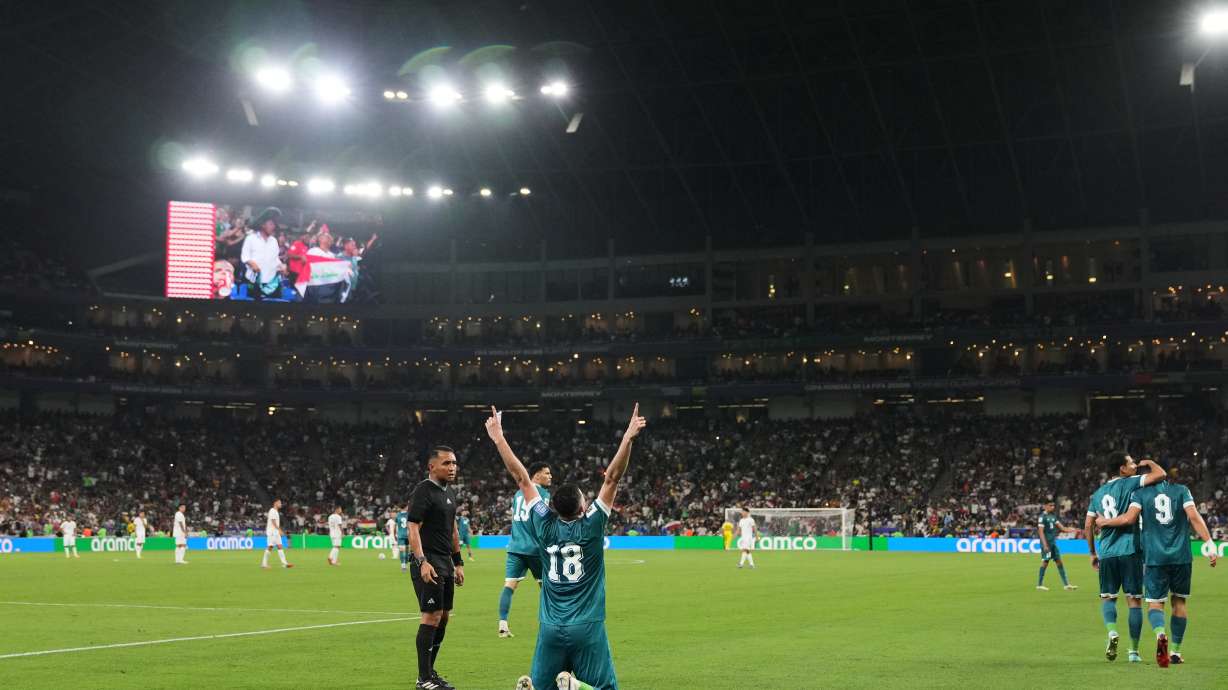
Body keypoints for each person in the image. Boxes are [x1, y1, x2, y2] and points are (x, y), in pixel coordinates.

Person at [486, 404, 646, 690]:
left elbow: (522, 478)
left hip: (550, 628)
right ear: (583, 506)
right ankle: (577, 687)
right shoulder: (591, 527)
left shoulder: (544, 526)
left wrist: (499, 439)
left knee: (543, 686)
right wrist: (628, 438)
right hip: (587, 627)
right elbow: (612, 478)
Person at [1095, 475, 1218, 667]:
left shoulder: (1140, 494)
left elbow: (1129, 518)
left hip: (1154, 558)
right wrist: (1209, 543)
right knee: (1179, 602)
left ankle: (1160, 634)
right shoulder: (1182, 490)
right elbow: (1194, 517)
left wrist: (1104, 522)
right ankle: (1175, 652)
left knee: (1155, 605)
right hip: (1182, 556)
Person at [1084, 452, 1166, 662]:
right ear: (1122, 468)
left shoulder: (1098, 493)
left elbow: (1088, 525)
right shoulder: (1131, 483)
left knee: (1108, 597)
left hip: (1107, 552)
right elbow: (1161, 474)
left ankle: (1112, 632)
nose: (1135, 466)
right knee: (1134, 601)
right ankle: (1133, 652)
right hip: (1130, 550)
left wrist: (1093, 552)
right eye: (1131, 463)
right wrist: (1150, 463)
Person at [406, 445, 464, 690]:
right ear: (432, 467)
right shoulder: (423, 491)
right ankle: (423, 678)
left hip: (445, 562)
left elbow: (452, 530)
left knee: (444, 617)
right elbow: (413, 528)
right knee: (431, 616)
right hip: (428, 560)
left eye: (454, 463)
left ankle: (430, 672)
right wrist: (422, 561)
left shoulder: (449, 493)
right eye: (446, 463)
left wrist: (458, 561)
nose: (452, 468)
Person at [500, 461, 553, 638]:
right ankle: (551, 624)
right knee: (547, 587)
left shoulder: (517, 493)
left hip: (515, 547)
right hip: (535, 549)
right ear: (536, 475)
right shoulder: (542, 493)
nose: (550, 476)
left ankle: (503, 623)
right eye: (547, 473)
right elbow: (541, 519)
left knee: (509, 585)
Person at [240, 207, 286, 299]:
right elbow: (245, 257)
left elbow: (275, 258)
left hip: (272, 282)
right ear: (262, 225)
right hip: (254, 282)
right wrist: (252, 263)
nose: (273, 227)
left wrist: (282, 265)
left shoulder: (273, 241)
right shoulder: (251, 238)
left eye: (274, 224)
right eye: (271, 224)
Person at [1035, 500, 1077, 591]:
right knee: (1045, 562)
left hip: (1053, 543)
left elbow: (1063, 529)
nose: (1052, 507)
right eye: (1050, 505)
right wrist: (1045, 545)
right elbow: (1041, 532)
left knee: (1059, 561)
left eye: (1053, 505)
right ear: (1045, 506)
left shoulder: (1053, 517)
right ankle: (1039, 584)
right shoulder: (1042, 517)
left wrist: (1073, 530)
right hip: (1047, 544)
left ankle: (1066, 585)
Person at [261, 499, 293, 569]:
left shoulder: (275, 511)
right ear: (275, 503)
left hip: (275, 532)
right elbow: (273, 521)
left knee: (280, 546)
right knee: (270, 547)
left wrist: (278, 531)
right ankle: (264, 564)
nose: (281, 504)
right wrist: (279, 530)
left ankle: (285, 563)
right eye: (279, 503)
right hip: (272, 532)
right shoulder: (272, 511)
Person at [397, 506, 410, 573]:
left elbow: (397, 524)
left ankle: (403, 565)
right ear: (405, 507)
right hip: (408, 535)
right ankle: (406, 563)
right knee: (407, 550)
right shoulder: (409, 514)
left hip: (401, 535)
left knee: (402, 550)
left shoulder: (398, 515)